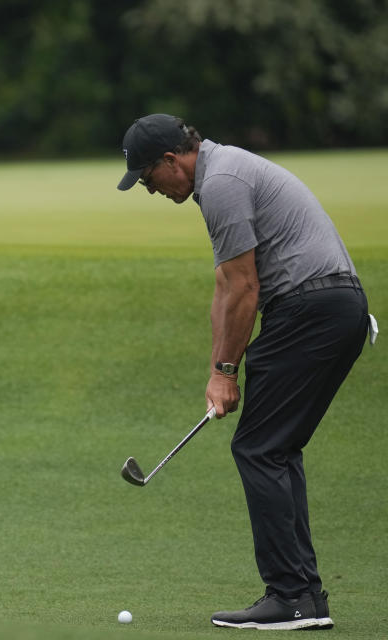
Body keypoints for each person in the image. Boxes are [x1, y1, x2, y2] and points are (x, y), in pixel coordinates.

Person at [117, 114, 371, 630]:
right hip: (327, 308)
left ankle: (292, 597)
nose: (151, 190)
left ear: (171, 160)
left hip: (310, 309)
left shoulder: (224, 183)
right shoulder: (223, 174)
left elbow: (245, 289)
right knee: (274, 448)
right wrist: (217, 369)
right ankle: (305, 599)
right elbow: (225, 286)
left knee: (259, 448)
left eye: (147, 179)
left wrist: (227, 372)